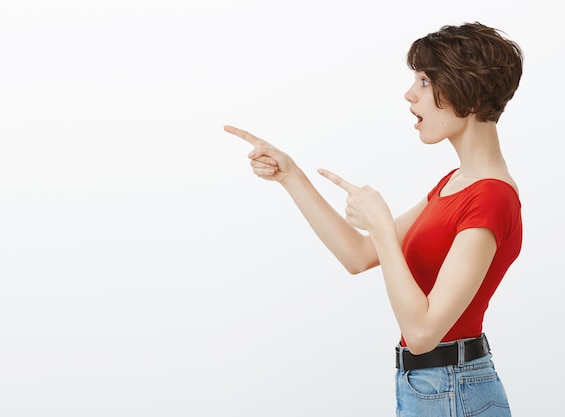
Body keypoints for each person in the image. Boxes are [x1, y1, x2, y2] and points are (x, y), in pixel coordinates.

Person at [224, 21, 523, 417]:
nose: (409, 94)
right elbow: (358, 254)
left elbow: (421, 333)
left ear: (463, 93)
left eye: (424, 81)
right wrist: (290, 176)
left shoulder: (491, 197)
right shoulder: (456, 183)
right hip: (430, 387)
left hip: (452, 390)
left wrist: (382, 227)